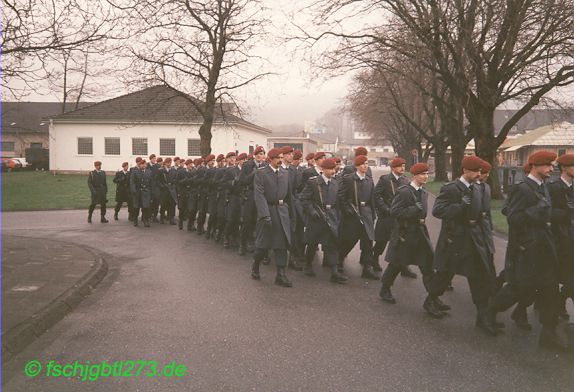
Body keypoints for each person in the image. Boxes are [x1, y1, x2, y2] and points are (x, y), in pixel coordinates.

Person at [486, 151, 564, 350]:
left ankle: (548, 335)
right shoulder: (523, 188)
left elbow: (544, 212)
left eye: (552, 165)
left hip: (545, 247)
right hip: (527, 249)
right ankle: (489, 312)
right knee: (519, 289)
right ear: (535, 165)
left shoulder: (543, 186)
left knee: (550, 290)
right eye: (547, 165)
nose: (551, 168)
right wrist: (538, 210)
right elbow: (513, 218)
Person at [432, 156, 498, 335]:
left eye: (480, 171)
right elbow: (437, 211)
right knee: (446, 273)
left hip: (474, 239)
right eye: (476, 171)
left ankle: (483, 317)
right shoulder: (451, 188)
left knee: (478, 278)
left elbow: (482, 214)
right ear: (465, 170)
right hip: (456, 240)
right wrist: (459, 206)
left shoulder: (477, 187)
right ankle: (430, 299)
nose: (479, 175)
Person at [379, 163, 447, 318]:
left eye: (427, 174)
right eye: (422, 174)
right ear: (414, 175)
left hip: (420, 233)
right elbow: (394, 212)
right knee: (396, 263)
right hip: (405, 234)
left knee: (427, 265)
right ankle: (385, 289)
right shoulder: (404, 192)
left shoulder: (423, 192)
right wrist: (412, 210)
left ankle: (432, 299)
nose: (426, 176)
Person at [299, 158, 348, 283]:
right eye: (330, 169)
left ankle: (334, 272)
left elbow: (338, 201)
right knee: (312, 243)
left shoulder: (336, 183)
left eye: (334, 169)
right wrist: (312, 211)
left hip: (331, 217)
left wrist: (337, 216)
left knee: (332, 245)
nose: (333, 171)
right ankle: (308, 265)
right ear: (323, 169)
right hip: (316, 218)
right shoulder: (314, 182)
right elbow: (304, 199)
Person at [251, 148, 294, 287]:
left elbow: (289, 196)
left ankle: (280, 275)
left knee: (282, 245)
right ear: (270, 159)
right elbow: (259, 195)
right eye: (278, 158)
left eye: (282, 157)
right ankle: (256, 265)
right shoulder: (261, 173)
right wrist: (264, 215)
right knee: (263, 245)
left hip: (282, 212)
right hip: (268, 212)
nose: (281, 160)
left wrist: (292, 215)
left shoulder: (285, 173)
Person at [373, 157, 417, 278]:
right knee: (381, 241)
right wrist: (385, 209)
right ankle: (374, 259)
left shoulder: (405, 180)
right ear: (392, 168)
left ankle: (404, 267)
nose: (402, 168)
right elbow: (376, 196)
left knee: (401, 243)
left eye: (403, 166)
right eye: (399, 166)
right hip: (387, 216)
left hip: (400, 217)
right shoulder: (385, 180)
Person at [338, 155, 379, 279]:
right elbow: (341, 196)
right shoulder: (349, 179)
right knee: (350, 240)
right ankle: (339, 260)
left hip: (366, 213)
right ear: (357, 166)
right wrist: (346, 209)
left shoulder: (369, 180)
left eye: (367, 163)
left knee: (368, 241)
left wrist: (373, 213)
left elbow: (372, 198)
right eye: (362, 164)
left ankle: (367, 268)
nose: (365, 166)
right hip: (353, 214)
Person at [548, 153, 574, 321]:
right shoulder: (554, 188)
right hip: (559, 238)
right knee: (557, 276)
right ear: (564, 168)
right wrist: (567, 213)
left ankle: (559, 303)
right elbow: (547, 212)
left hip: (571, 238)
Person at [239, 146, 266, 253]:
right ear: (255, 155)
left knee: (257, 221)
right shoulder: (248, 165)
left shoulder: (265, 165)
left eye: (262, 154)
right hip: (249, 195)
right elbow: (242, 181)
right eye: (258, 154)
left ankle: (253, 243)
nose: (260, 156)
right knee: (247, 221)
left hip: (260, 196)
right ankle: (242, 244)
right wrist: (253, 174)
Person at [131, 158, 153, 227]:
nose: (143, 165)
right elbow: (132, 182)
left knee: (145, 207)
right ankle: (135, 220)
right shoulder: (135, 171)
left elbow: (151, 183)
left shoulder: (149, 172)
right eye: (142, 164)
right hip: (138, 192)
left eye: (145, 164)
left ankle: (145, 220)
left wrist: (151, 192)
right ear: (140, 165)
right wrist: (134, 190)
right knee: (136, 207)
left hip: (146, 192)